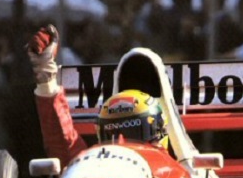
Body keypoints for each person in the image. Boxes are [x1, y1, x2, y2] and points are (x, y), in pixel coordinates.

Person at [27, 25, 168, 167]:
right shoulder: (95, 168)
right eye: (111, 135)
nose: (120, 142)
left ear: (158, 132)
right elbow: (64, 145)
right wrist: (46, 80)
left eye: (133, 134)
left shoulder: (179, 173)